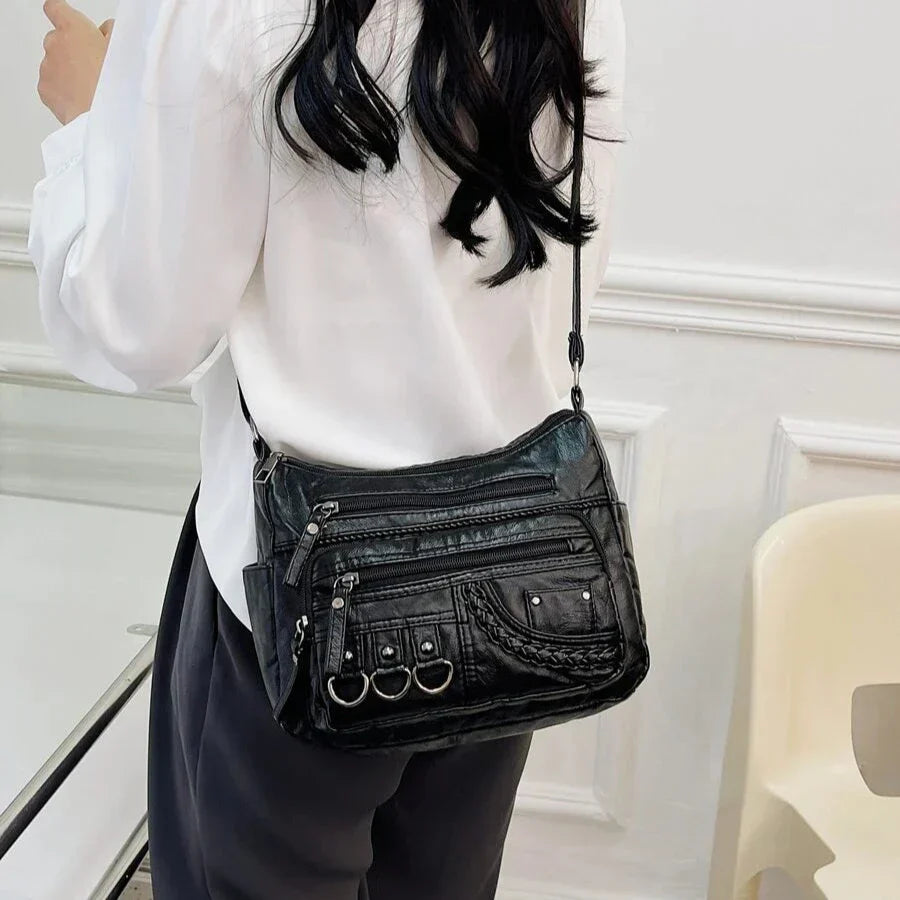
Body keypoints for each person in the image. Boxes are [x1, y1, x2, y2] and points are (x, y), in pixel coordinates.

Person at [29, 0, 626, 896]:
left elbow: (138, 331)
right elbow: (567, 257)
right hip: (516, 580)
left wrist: (90, 123)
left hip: (300, 603)